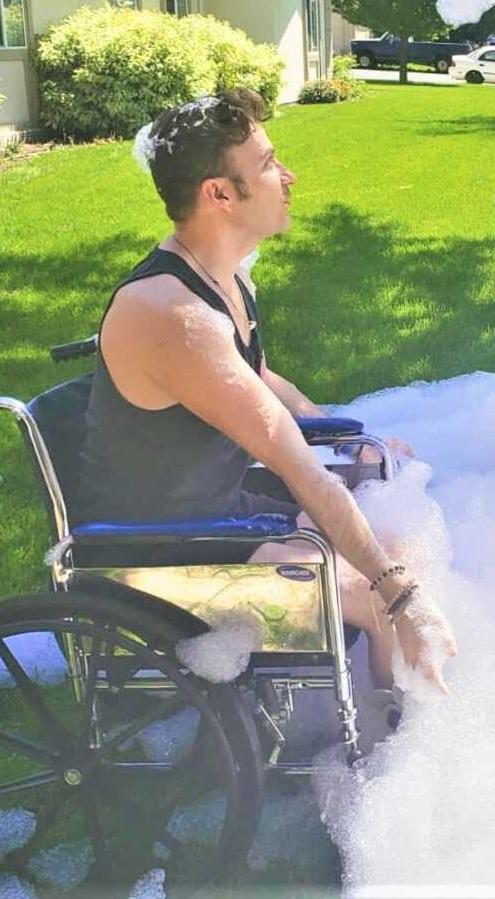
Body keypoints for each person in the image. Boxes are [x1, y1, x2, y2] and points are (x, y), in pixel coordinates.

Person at [77, 89, 456, 692]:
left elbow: (261, 380)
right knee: (384, 594)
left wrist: (341, 432)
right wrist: (401, 596)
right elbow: (296, 467)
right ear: (220, 194)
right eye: (268, 164)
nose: (289, 176)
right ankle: (389, 767)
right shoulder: (175, 315)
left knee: (402, 546)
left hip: (216, 517)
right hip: (156, 555)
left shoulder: (220, 278)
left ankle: (394, 726)